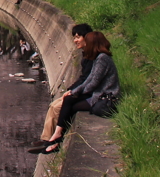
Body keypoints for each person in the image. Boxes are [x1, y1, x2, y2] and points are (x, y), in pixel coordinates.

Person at [37, 31, 120, 154]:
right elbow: (89, 80)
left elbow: (93, 83)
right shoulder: (98, 58)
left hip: (105, 97)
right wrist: (74, 92)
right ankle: (57, 137)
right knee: (70, 103)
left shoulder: (102, 59)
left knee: (70, 103)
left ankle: (57, 137)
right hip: (99, 94)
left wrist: (76, 93)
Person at [26, 23, 94, 152]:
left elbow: (88, 80)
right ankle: (46, 139)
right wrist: (70, 89)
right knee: (53, 106)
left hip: (89, 94)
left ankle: (54, 141)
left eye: (78, 37)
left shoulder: (93, 56)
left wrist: (73, 91)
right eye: (74, 37)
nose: (75, 41)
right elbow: (83, 78)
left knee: (58, 107)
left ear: (87, 37)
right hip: (83, 90)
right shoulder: (87, 55)